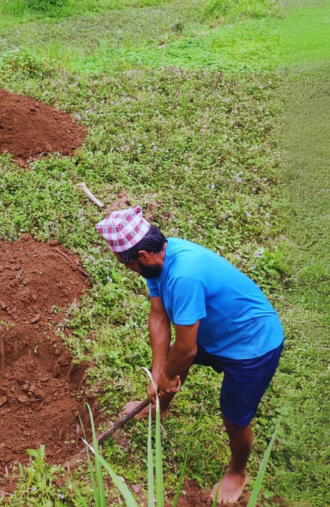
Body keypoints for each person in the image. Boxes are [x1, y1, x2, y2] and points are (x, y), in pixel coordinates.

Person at [96, 206, 284, 504]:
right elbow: (158, 316)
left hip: (252, 344)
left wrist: (168, 376)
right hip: (213, 332)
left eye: (126, 264)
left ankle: (238, 471)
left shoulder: (184, 275)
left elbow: (187, 349)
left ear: (141, 256)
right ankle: (161, 407)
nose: (128, 269)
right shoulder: (157, 261)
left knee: (234, 418)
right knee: (172, 363)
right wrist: (159, 373)